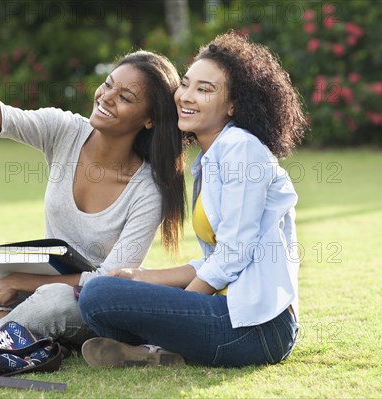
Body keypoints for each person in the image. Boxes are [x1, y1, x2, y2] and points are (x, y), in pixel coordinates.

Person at [0, 48, 188, 346]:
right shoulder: (65, 130)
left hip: (81, 301)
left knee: (54, 301)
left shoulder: (148, 190)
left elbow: (110, 280)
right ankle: (4, 328)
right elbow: (3, 118)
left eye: (125, 97)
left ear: (149, 119)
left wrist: (21, 282)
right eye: (108, 84)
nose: (107, 97)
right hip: (29, 294)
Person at [78, 30, 309, 368]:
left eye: (204, 90)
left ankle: (154, 346)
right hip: (229, 313)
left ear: (233, 105)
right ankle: (158, 355)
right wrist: (142, 278)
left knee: (99, 296)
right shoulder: (211, 157)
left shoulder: (240, 149)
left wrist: (176, 308)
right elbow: (216, 261)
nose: (186, 96)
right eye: (185, 84)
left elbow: (233, 255)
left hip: (257, 328)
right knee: (107, 287)